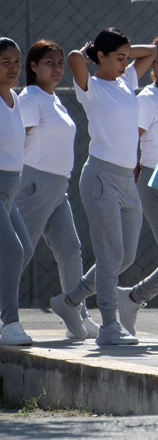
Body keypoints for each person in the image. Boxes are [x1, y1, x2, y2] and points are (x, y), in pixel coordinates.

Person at [48, 28, 156, 345]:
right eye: (119, 58)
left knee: (125, 256)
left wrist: (120, 53)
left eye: (126, 57)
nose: (126, 63)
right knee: (110, 256)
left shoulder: (126, 82)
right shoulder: (90, 88)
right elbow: (73, 58)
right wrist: (91, 49)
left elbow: (149, 51)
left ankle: (69, 302)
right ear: (99, 57)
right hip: (99, 177)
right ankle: (110, 325)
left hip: (127, 181)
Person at [14, 40, 96, 338]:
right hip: (34, 184)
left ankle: (79, 316)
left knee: (70, 251)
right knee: (18, 253)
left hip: (57, 187)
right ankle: (5, 317)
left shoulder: (52, 98)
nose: (57, 68)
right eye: (50, 62)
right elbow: (14, 140)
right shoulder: (31, 97)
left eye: (60, 62)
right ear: (33, 66)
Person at [115, 35, 158, 339]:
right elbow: (130, 141)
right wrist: (129, 180)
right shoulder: (146, 98)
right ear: (152, 66)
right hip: (154, 179)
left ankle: (132, 297)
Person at [0, 38, 32, 346]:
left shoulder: (16, 98)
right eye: (5, 62)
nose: (13, 68)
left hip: (12, 189)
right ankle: (9, 323)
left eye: (16, 62)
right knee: (12, 251)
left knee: (26, 248)